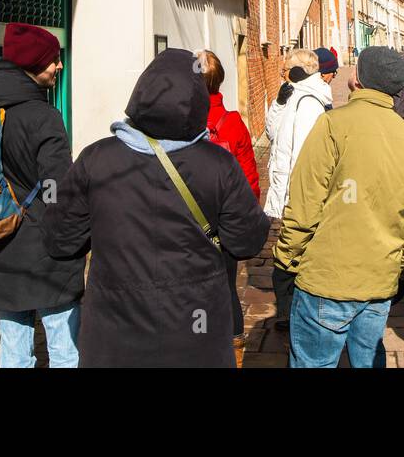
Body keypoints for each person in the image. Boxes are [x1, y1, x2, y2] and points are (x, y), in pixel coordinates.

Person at [43, 48, 270, 367]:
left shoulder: (96, 160)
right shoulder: (218, 165)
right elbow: (247, 240)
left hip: (115, 338)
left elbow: (59, 240)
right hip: (195, 335)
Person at [275, 47, 404, 368]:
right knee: (369, 360)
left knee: (313, 362)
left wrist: (287, 258)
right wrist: (397, 265)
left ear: (357, 80)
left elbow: (304, 206)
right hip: (379, 280)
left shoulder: (332, 125)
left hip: (326, 279)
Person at [0, 22, 84, 368]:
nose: (59, 66)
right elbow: (59, 192)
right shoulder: (43, 117)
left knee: (15, 354)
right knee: (64, 351)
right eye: (53, 61)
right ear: (34, 64)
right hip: (46, 254)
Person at [198, 49, 261, 365]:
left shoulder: (179, 122)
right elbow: (250, 180)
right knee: (226, 289)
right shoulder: (235, 124)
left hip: (186, 227)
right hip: (222, 225)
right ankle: (234, 355)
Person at [264, 48, 331, 331]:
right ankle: (291, 306)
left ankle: (291, 309)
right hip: (288, 185)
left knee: (293, 251)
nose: (281, 71)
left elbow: (305, 154)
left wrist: (296, 194)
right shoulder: (294, 95)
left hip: (299, 190)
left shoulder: (308, 103)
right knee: (293, 248)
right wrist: (279, 103)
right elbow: (273, 133)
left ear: (300, 70)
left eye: (286, 67)